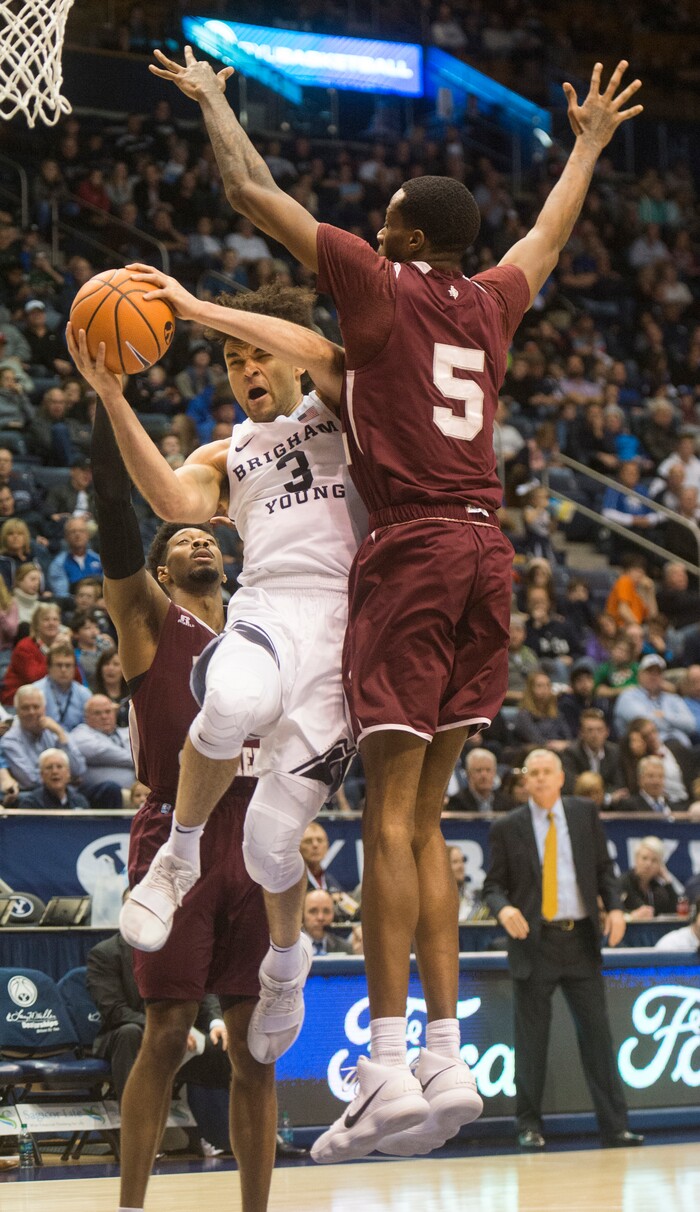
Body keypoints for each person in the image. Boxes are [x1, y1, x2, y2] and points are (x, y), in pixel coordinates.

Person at [147, 45, 642, 1162]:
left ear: (410, 238)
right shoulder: (491, 302)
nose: (371, 229)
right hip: (491, 553)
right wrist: (590, 147)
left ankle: (382, 1063)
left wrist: (220, 103)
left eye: (384, 219)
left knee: (394, 819)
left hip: (414, 550)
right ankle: (448, 1060)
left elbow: (249, 193)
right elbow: (545, 239)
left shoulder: (379, 290)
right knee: (431, 826)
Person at [68, 283, 364, 1084]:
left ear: (288, 349)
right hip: (267, 605)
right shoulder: (227, 454)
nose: (246, 369)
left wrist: (199, 311)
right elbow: (166, 498)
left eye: (258, 353)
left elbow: (327, 353)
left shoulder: (347, 407)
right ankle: (179, 857)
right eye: (232, 363)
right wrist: (109, 395)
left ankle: (285, 963)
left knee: (274, 844)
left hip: (343, 631)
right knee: (224, 701)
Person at [87, 400, 278, 1211]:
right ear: (162, 572)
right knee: (166, 1031)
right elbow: (115, 519)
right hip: (176, 828)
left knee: (255, 1049)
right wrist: (106, 398)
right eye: (182, 540)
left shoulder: (265, 628)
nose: (199, 538)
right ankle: (131, 1203)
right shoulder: (147, 622)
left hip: (260, 829)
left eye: (207, 534)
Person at [482, 749, 642, 1150]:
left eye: (545, 772)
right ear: (525, 781)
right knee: (531, 1041)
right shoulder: (508, 827)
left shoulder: (584, 814)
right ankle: (529, 1125)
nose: (538, 778)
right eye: (531, 773)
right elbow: (492, 887)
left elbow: (606, 870)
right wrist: (504, 910)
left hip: (581, 940)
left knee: (598, 1038)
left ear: (559, 777)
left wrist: (617, 910)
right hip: (534, 944)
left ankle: (615, 1126)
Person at [86, 928, 230, 1105]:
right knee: (129, 1033)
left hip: (180, 1029)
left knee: (223, 1043)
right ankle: (136, 1124)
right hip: (128, 1033)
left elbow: (203, 991)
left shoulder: (176, 948)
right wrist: (165, 1029)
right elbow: (115, 1011)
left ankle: (224, 1129)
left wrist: (216, 1023)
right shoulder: (104, 953)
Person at [0, 683, 86, 789]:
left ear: (44, 709)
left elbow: (79, 769)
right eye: (25, 708)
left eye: (36, 707)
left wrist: (60, 734)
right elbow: (30, 781)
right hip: (36, 798)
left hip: (68, 793)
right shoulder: (10, 740)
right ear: (17, 711)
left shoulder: (54, 730)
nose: (31, 712)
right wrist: (67, 778)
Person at [614, 654, 697, 746]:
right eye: (649, 672)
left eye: (658, 673)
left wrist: (664, 716)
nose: (653, 676)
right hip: (642, 750)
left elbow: (691, 724)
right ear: (639, 675)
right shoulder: (628, 696)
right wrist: (675, 724)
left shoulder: (672, 698)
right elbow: (643, 724)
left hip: (679, 746)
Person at [70, 694, 136, 804]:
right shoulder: (81, 734)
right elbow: (100, 752)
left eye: (108, 711)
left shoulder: (127, 732)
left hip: (140, 792)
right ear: (86, 717)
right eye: (97, 713)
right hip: (103, 795)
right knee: (111, 789)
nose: (104, 716)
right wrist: (138, 762)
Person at [1, 602, 63, 706]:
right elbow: (34, 678)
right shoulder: (25, 646)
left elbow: (75, 678)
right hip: (18, 702)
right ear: (36, 625)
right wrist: (53, 653)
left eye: (55, 619)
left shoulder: (63, 646)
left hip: (51, 701)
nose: (51, 623)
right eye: (46, 619)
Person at [561, 708, 627, 803]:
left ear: (607, 732)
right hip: (580, 804)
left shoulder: (614, 752)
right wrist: (606, 798)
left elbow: (618, 785)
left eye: (599, 730)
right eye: (590, 730)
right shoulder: (571, 753)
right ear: (581, 733)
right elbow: (572, 787)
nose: (595, 735)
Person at [31, 640, 91, 731]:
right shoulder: (36, 691)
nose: (63, 670)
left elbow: (90, 728)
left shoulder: (84, 693)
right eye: (59, 665)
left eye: (68, 665)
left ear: (74, 669)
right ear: (49, 667)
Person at [619, 836, 678, 918]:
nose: (648, 864)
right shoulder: (622, 882)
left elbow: (675, 910)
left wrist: (667, 881)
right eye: (644, 858)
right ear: (636, 859)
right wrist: (631, 916)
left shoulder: (657, 888)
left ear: (660, 865)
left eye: (654, 860)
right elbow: (611, 912)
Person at [15, 746, 89, 809]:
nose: (54, 771)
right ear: (42, 775)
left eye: (59, 767)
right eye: (49, 767)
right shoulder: (31, 804)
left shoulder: (79, 801)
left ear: (68, 773)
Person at [47, 516, 103, 598]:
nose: (77, 535)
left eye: (81, 531)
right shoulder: (58, 564)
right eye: (73, 532)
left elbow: (108, 589)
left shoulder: (99, 560)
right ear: (66, 537)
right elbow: (62, 596)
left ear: (88, 535)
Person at [302, 889, 353, 956]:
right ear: (302, 914)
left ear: (333, 914)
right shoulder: (290, 948)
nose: (320, 918)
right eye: (313, 911)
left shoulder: (345, 948)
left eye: (326, 911)